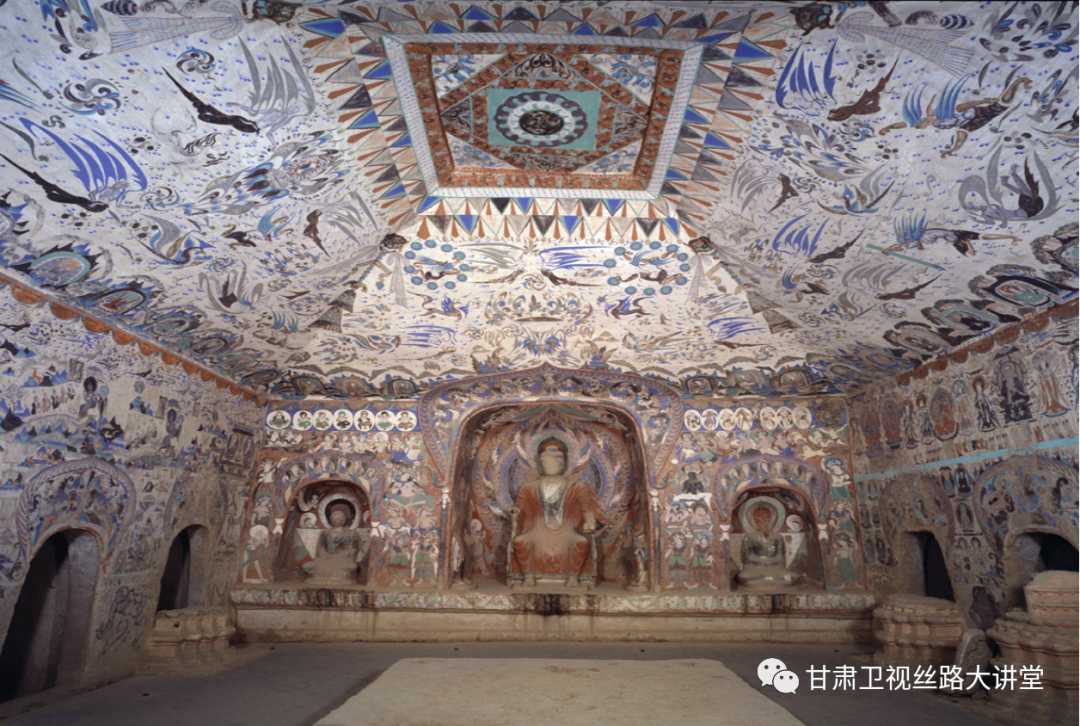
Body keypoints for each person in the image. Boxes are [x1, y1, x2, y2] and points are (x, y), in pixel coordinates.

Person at [508, 440, 606, 589]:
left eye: (554, 463)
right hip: (537, 531)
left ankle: (573, 578)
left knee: (582, 542)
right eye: (546, 463)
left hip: (567, 531)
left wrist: (590, 522)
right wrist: (515, 511)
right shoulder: (529, 487)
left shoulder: (577, 487)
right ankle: (528, 577)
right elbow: (519, 507)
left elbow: (587, 509)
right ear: (540, 465)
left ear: (563, 465)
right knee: (520, 541)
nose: (550, 466)